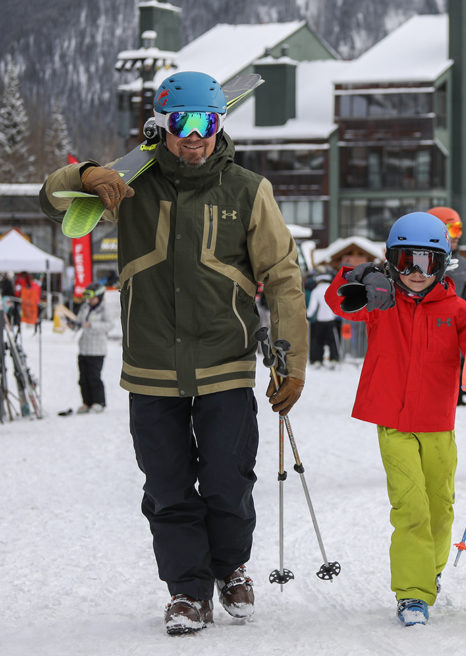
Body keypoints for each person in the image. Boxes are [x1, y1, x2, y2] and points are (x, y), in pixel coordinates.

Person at [40, 71, 308, 635]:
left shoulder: (247, 189)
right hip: (152, 368)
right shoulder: (129, 184)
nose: (196, 136)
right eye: (183, 123)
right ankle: (187, 591)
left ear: (219, 124)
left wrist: (292, 358)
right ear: (163, 126)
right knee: (166, 487)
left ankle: (231, 567)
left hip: (225, 363)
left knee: (228, 480)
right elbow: (54, 201)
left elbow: (283, 276)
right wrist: (85, 173)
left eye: (207, 122)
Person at [324, 212, 466, 626]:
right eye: (406, 261)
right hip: (392, 420)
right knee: (411, 507)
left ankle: (431, 572)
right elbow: (337, 302)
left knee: (441, 506)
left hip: (438, 421)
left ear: (441, 264)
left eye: (426, 263)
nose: (415, 273)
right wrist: (360, 274)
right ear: (392, 261)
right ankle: (412, 593)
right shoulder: (379, 300)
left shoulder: (456, 308)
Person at [427, 206, 466, 311]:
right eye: (452, 230)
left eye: (458, 229)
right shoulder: (418, 264)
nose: (457, 236)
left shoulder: (464, 266)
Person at [71, 282, 111, 413]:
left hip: (97, 350)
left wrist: (92, 325)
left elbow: (110, 325)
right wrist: (73, 325)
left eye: (92, 298)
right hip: (84, 348)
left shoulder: (104, 309)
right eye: (88, 298)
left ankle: (99, 402)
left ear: (99, 297)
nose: (89, 300)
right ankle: (86, 402)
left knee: (94, 377)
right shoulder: (84, 307)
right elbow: (79, 322)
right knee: (83, 378)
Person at [306, 272, 340, 368]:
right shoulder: (333, 289)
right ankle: (334, 358)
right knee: (332, 341)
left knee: (318, 341)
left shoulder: (316, 291)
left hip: (320, 320)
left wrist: (308, 315)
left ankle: (317, 359)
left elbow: (312, 307)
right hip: (331, 319)